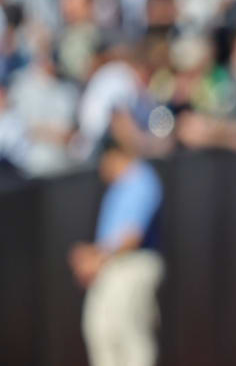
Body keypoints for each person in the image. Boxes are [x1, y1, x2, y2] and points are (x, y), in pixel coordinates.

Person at [68, 135, 164, 366]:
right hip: (113, 266)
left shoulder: (141, 180)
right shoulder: (118, 187)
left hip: (132, 265)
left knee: (129, 334)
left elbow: (132, 237)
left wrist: (98, 258)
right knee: (101, 329)